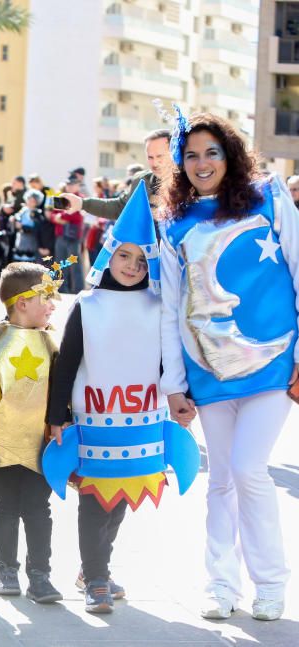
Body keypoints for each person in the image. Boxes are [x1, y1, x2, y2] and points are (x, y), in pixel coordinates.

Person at [158, 111, 299, 622]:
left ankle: (271, 584)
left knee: (247, 468)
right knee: (221, 480)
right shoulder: (173, 224)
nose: (201, 163)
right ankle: (221, 584)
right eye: (191, 154)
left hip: (272, 363)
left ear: (230, 155)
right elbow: (171, 308)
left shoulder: (270, 199)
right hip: (207, 372)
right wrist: (173, 384)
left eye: (211, 152)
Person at [46, 182, 200, 615]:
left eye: (139, 258)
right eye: (123, 255)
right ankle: (96, 578)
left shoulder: (159, 307)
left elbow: (172, 359)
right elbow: (67, 362)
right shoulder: (88, 305)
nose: (131, 265)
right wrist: (58, 415)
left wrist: (181, 398)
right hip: (94, 418)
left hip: (141, 420)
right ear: (108, 254)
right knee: (96, 498)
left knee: (121, 500)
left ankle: (94, 568)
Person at [0, 262, 61, 604]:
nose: (54, 303)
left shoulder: (53, 341)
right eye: (47, 296)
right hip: (3, 440)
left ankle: (40, 574)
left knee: (39, 509)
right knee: (6, 507)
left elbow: (62, 389)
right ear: (22, 303)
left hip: (41, 441)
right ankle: (6, 568)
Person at [63, 130, 171, 220]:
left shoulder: (187, 182)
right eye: (150, 157)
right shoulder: (141, 180)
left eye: (160, 156)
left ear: (174, 153)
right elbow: (119, 207)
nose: (155, 163)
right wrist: (82, 203)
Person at [49, 175, 84, 294]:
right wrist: (56, 218)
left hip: (73, 237)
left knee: (74, 264)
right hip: (61, 235)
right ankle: (59, 289)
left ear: (77, 186)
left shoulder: (80, 198)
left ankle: (77, 290)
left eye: (72, 184)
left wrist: (61, 216)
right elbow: (53, 215)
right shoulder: (60, 197)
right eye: (68, 184)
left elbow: (76, 215)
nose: (69, 186)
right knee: (59, 263)